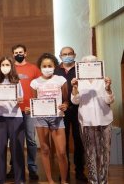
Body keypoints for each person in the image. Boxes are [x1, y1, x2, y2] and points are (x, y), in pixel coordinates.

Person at [71, 55, 114, 184]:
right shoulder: (78, 81)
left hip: (105, 120)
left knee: (104, 153)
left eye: (93, 63)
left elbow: (109, 100)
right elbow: (75, 101)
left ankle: (103, 180)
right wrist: (74, 88)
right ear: (82, 66)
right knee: (90, 153)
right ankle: (93, 180)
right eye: (86, 64)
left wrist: (108, 88)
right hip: (86, 121)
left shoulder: (103, 80)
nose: (90, 65)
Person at [30, 53, 68, 184]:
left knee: (61, 152)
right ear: (40, 67)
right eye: (44, 66)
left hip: (57, 117)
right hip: (41, 119)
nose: (47, 68)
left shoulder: (61, 80)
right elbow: (34, 101)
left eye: (50, 65)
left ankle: (63, 180)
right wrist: (31, 108)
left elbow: (66, 99)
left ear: (54, 66)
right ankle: (50, 180)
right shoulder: (35, 83)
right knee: (45, 150)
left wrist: (65, 105)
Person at [0, 57, 25, 184]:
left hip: (16, 117)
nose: (5, 66)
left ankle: (19, 179)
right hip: (1, 118)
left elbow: (21, 97)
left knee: (17, 149)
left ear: (11, 66)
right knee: (1, 149)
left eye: (7, 64)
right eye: (3, 64)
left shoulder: (16, 81)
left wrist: (20, 99)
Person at [7, 44, 40, 181]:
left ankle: (32, 168)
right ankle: (14, 168)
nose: (18, 54)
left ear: (25, 53)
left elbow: (39, 88)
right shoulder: (9, 68)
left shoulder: (33, 68)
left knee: (31, 140)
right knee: (14, 141)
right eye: (16, 52)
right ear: (13, 54)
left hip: (29, 110)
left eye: (21, 52)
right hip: (14, 111)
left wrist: (35, 105)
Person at [54, 46, 87, 181]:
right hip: (61, 110)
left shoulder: (81, 69)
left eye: (70, 54)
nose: (67, 56)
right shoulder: (55, 71)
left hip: (80, 108)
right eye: (64, 54)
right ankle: (64, 171)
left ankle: (79, 171)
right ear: (60, 56)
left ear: (74, 54)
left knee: (79, 140)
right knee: (63, 143)